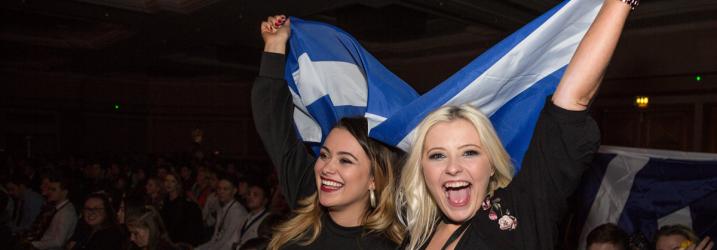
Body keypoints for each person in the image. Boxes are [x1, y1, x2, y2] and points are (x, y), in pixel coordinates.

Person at [398, 0, 634, 249]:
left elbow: (572, 101)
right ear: (422, 169)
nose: (453, 168)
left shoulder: (517, 216)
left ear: (490, 165)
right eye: (437, 155)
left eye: (469, 152)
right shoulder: (416, 238)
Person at [254, 15, 404, 249]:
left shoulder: (392, 245)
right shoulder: (308, 195)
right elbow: (273, 125)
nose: (327, 168)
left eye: (345, 160)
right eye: (324, 154)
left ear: (374, 179)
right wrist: (274, 45)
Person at [196, 174, 248, 250]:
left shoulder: (237, 212)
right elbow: (215, 239)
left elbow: (227, 243)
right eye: (219, 188)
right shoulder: (221, 207)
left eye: (225, 189)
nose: (221, 192)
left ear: (234, 191)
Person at [29, 173, 78, 249]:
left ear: (64, 192)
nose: (49, 192)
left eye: (53, 190)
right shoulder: (58, 208)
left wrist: (33, 244)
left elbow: (58, 242)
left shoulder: (67, 213)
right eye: (49, 189)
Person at [159, 172, 202, 246]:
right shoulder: (165, 200)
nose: (168, 183)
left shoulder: (183, 203)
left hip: (178, 240)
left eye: (172, 181)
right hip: (165, 237)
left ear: (177, 184)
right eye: (166, 180)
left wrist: (168, 236)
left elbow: (180, 225)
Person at [235, 180, 271, 248]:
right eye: (248, 194)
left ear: (265, 200)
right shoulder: (246, 216)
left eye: (255, 195)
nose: (250, 197)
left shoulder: (267, 220)